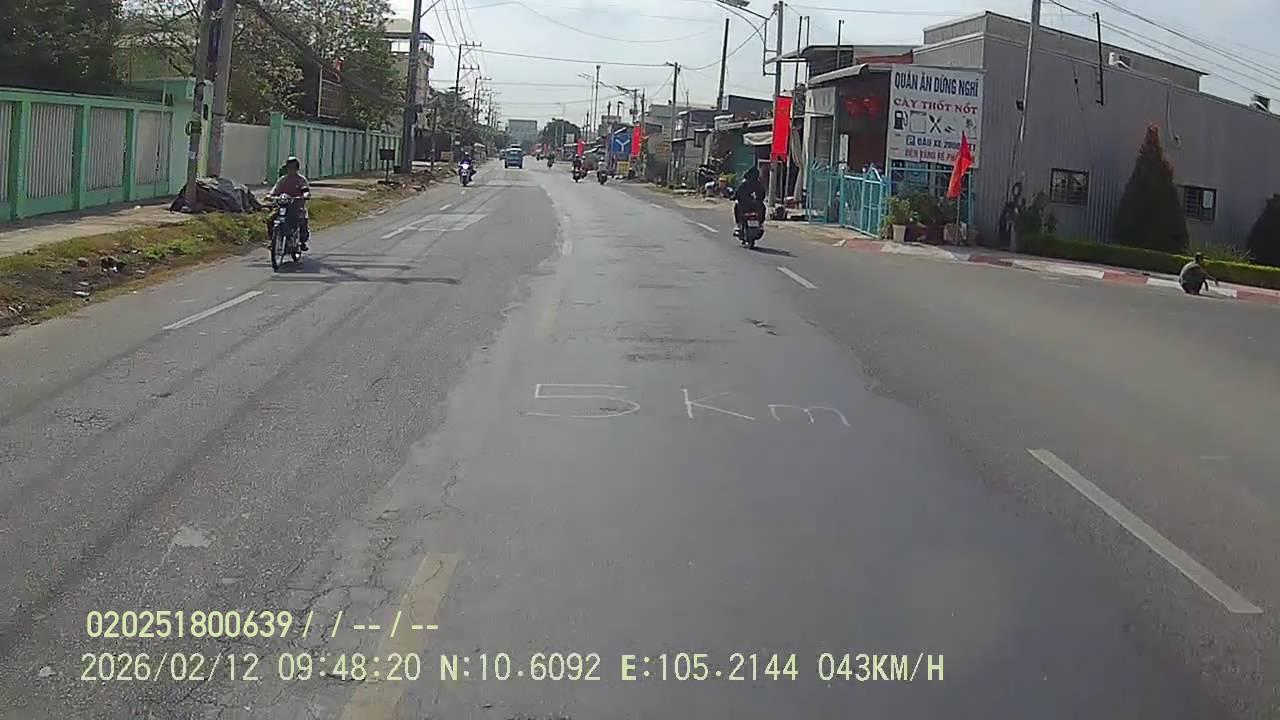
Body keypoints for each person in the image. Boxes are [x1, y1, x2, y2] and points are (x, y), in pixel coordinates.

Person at [269, 156, 310, 251]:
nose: (291, 170)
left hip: (296, 207)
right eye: (289, 167)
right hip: (282, 206)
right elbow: (275, 189)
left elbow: (305, 190)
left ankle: (302, 242)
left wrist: (305, 195)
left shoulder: (301, 180)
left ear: (297, 168)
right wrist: (270, 195)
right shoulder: (282, 179)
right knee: (270, 219)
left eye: (293, 168)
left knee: (302, 220)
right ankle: (274, 241)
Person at [733, 166, 766, 231]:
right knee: (763, 207)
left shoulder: (744, 185)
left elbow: (737, 194)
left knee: (736, 206)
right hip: (755, 207)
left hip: (745, 207)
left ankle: (738, 224)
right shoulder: (759, 185)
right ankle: (760, 224)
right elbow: (763, 195)